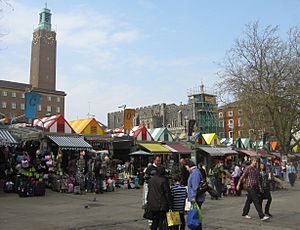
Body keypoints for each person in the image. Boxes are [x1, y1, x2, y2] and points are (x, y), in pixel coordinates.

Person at [185, 160, 205, 230]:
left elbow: (195, 186)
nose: (186, 169)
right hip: (196, 198)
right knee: (196, 215)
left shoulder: (195, 173)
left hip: (196, 198)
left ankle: (196, 228)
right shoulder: (194, 172)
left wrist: (193, 197)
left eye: (186, 167)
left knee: (195, 215)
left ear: (189, 166)